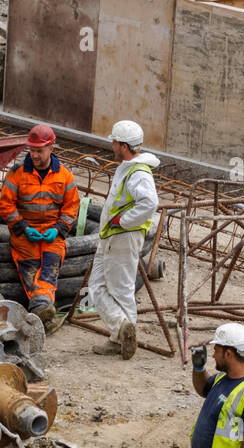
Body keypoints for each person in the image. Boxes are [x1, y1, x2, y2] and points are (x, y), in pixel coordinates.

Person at [89, 120, 160, 361]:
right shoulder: (128, 167)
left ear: (123, 145)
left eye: (115, 142)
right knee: (97, 286)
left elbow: (150, 203)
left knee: (121, 290)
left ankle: (122, 337)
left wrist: (124, 221)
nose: (112, 146)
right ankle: (120, 331)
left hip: (123, 237)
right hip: (111, 237)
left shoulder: (139, 173)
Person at [0, 124, 80, 333]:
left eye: (39, 151)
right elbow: (6, 205)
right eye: (31, 150)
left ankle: (40, 308)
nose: (34, 155)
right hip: (25, 234)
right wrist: (24, 228)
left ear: (51, 148)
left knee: (50, 267)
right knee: (31, 268)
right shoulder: (17, 174)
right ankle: (44, 309)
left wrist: (59, 228)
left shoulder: (65, 176)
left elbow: (71, 207)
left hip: (53, 233)